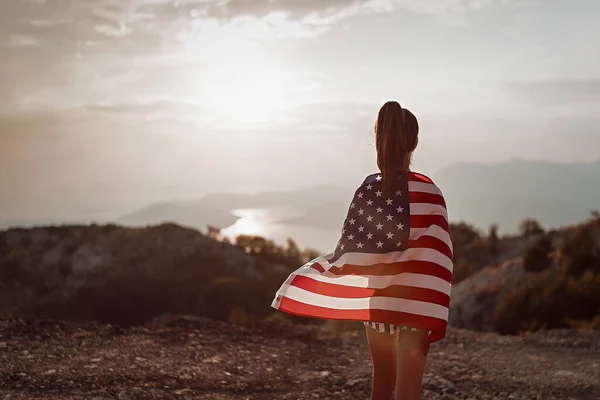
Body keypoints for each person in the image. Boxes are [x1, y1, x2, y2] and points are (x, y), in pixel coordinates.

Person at [272, 101, 453, 400]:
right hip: (418, 303)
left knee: (382, 383)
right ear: (415, 143)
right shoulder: (431, 192)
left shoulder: (369, 190)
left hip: (380, 300)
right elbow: (440, 255)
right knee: (409, 391)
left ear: (378, 140)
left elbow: (351, 252)